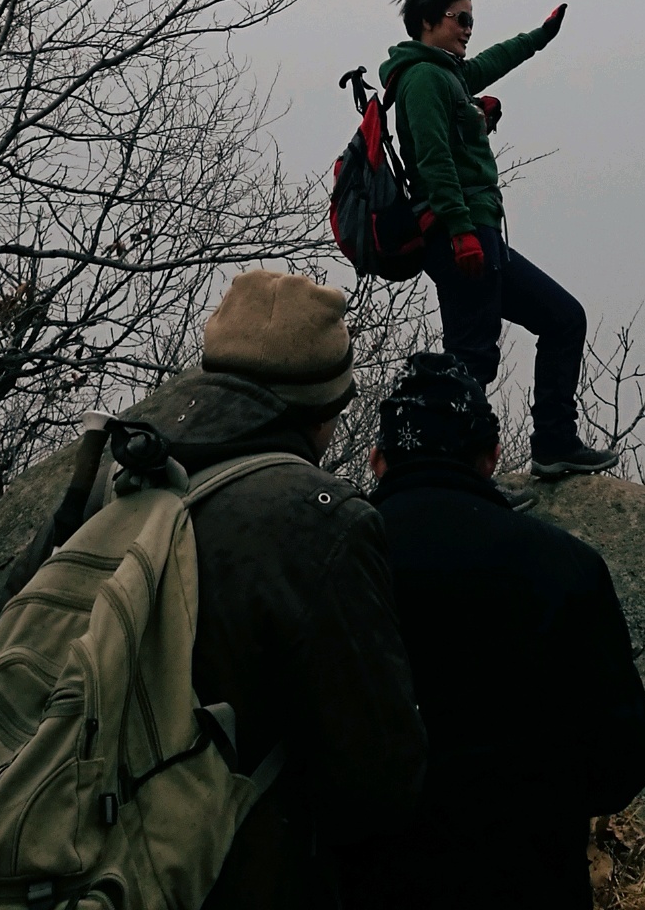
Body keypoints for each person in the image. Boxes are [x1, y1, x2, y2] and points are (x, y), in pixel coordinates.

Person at [135, 269, 428, 910]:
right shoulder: (320, 520)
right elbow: (377, 781)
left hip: (55, 846)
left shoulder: (115, 466)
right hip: (214, 873)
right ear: (328, 408)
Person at [340, 352, 645, 910]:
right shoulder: (567, 565)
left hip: (367, 884)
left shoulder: (330, 564)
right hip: (531, 880)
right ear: (490, 457)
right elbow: (625, 757)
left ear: (377, 460)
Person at [381, 0, 616, 478]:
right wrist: (461, 230)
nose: (468, 27)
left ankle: (554, 444)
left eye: (471, 18)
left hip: (479, 232)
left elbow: (494, 60)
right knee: (471, 359)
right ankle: (454, 475)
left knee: (562, 318)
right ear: (427, 22)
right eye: (459, 17)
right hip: (458, 232)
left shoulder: (446, 73)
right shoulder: (422, 77)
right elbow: (434, 161)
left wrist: (539, 37)